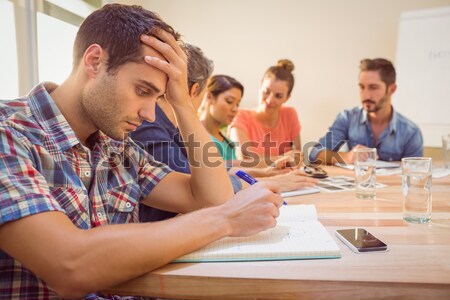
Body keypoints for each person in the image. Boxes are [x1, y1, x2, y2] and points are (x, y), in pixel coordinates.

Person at [0, 4, 283, 299]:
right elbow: (69, 265)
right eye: (143, 90)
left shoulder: (119, 147)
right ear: (95, 61)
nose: (150, 114)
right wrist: (224, 219)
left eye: (159, 97)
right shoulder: (9, 133)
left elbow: (212, 197)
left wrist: (183, 104)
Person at [131, 43, 245, 222]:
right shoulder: (148, 126)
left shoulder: (170, 129)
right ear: (194, 90)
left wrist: (263, 173)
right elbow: (202, 191)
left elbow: (208, 168)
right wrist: (246, 182)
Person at [200, 74, 317, 191]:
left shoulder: (225, 140)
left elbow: (230, 169)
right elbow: (220, 174)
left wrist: (266, 172)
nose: (235, 109)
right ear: (209, 97)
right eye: (229, 101)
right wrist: (270, 171)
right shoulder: (200, 138)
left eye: (237, 104)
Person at [309, 58, 423, 165]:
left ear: (391, 89)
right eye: (362, 87)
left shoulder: (411, 132)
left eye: (373, 87)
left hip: (392, 185)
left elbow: (415, 175)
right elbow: (315, 154)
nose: (366, 95)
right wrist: (347, 157)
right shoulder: (347, 118)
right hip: (356, 185)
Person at [228, 59, 301, 159]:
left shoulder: (289, 114)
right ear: (260, 87)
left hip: (287, 174)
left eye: (278, 96)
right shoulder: (241, 116)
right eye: (266, 92)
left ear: (287, 98)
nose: (270, 100)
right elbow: (245, 159)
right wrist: (284, 158)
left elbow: (297, 157)